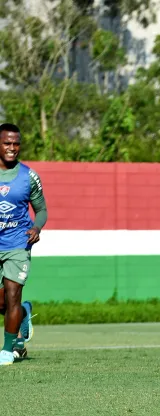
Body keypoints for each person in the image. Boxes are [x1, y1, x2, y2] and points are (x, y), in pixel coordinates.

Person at [0, 123, 47, 365]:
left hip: (18, 243)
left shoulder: (28, 176)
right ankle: (24, 315)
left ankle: (7, 350)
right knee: (4, 302)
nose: (12, 148)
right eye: (7, 143)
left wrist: (37, 228)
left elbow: (41, 211)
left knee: (12, 294)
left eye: (16, 143)